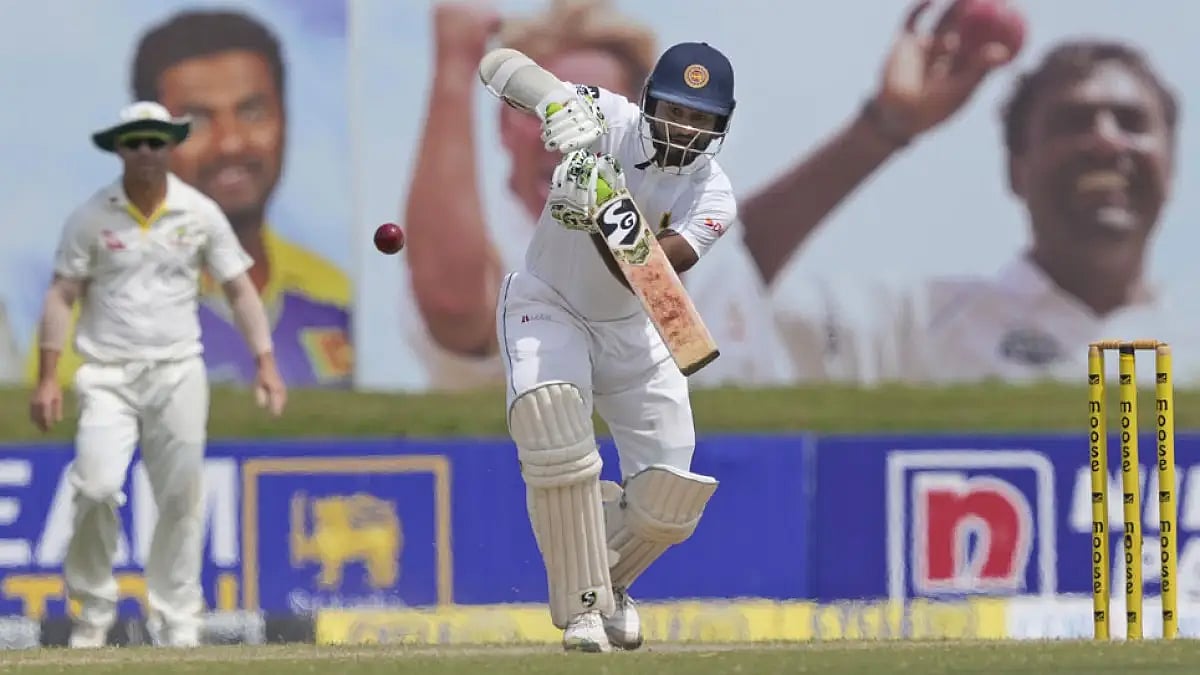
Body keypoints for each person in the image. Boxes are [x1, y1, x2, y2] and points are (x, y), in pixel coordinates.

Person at [737, 1, 1190, 383]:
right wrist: (881, 129)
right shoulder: (913, 328)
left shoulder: (1188, 341)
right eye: (1072, 121)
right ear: (1016, 169)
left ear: (1171, 168)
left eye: (1131, 122)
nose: (1106, 141)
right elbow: (710, 284)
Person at [478, 39, 734, 651]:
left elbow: (651, 277)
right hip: (549, 304)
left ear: (720, 127)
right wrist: (552, 106)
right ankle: (587, 610)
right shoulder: (607, 119)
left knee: (669, 498)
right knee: (553, 422)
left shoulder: (713, 196)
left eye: (701, 119)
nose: (684, 128)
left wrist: (599, 204)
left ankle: (605, 584)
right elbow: (498, 66)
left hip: (636, 325)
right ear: (649, 104)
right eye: (675, 110)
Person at [403, 0, 794, 391]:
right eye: (539, 110)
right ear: (504, 128)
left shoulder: (711, 233)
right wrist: (455, 64)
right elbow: (452, 305)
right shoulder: (487, 244)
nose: (564, 136)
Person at [28, 102, 287, 648]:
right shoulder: (91, 216)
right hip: (106, 374)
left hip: (176, 371)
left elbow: (239, 288)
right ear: (119, 148)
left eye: (155, 140)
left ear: (171, 146)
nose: (146, 151)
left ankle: (178, 619)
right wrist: (48, 377)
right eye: (135, 141)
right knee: (96, 487)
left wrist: (265, 362)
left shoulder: (199, 212)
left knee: (180, 496)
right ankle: (94, 612)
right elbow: (62, 293)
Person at [27, 9, 353, 389]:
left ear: (285, 118)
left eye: (252, 111)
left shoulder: (338, 294)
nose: (231, 142)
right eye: (196, 121)